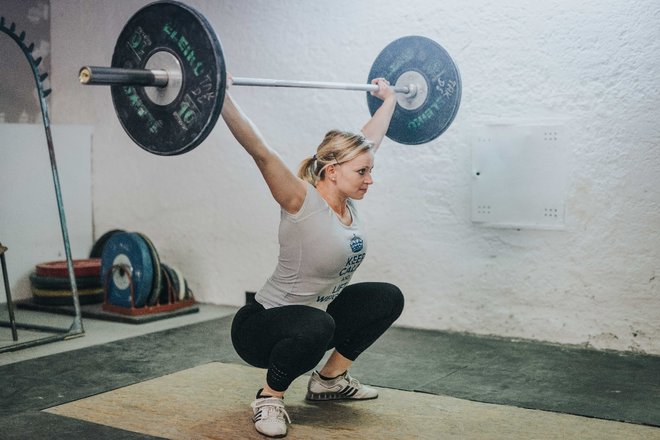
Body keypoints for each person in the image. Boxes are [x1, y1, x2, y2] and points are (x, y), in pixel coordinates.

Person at [221, 74, 405, 438]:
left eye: (371, 170)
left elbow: (369, 141)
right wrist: (220, 97)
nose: (370, 179)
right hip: (261, 327)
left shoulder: (347, 197)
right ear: (332, 172)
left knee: (387, 298)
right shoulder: (300, 201)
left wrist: (391, 99)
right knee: (318, 325)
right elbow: (260, 150)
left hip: (316, 317)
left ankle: (329, 380)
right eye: (363, 172)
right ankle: (269, 398)